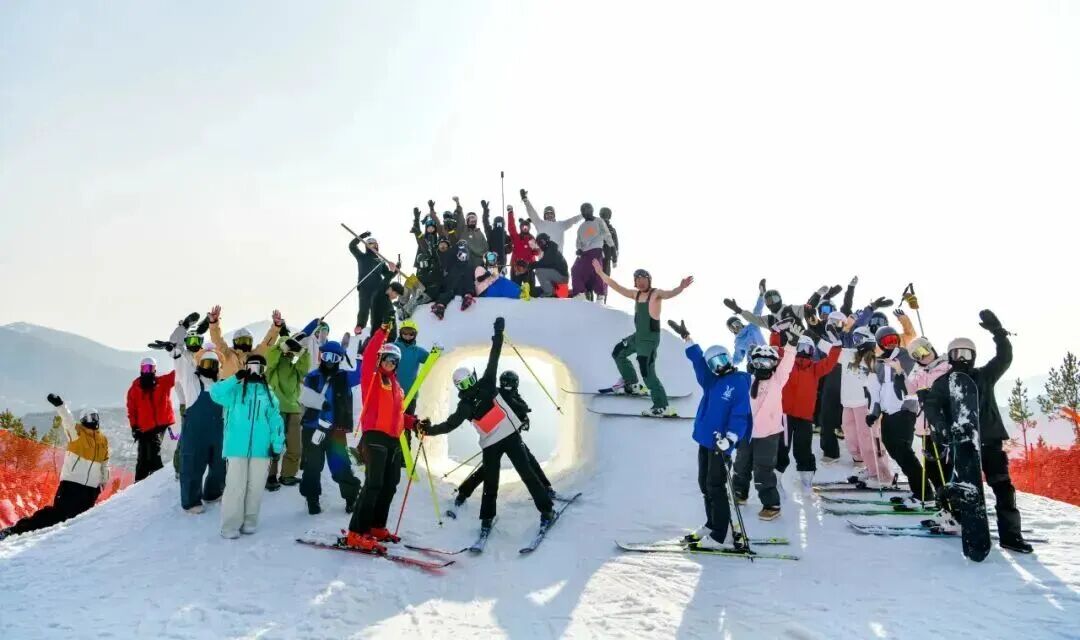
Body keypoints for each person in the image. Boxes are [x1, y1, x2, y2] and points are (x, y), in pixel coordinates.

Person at [418, 317, 555, 537]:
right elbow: (449, 425)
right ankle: (486, 520)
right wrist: (428, 430)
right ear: (459, 387)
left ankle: (546, 511)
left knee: (525, 473)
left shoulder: (486, 384)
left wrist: (498, 333)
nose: (468, 386)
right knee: (492, 484)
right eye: (463, 385)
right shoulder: (466, 404)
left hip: (507, 437)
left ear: (474, 377)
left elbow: (495, 354)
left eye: (469, 381)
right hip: (494, 442)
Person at [924, 310, 1031, 553]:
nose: (962, 358)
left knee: (1003, 488)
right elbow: (932, 406)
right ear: (950, 357)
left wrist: (999, 333)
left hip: (989, 441)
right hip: (962, 445)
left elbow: (1004, 358)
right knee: (964, 488)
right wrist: (941, 427)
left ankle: (1011, 536)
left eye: (966, 354)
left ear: (973, 356)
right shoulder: (943, 383)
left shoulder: (984, 376)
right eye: (957, 354)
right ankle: (962, 522)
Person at [667, 320, 751, 550]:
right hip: (705, 441)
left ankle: (721, 535)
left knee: (716, 486)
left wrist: (731, 438)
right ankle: (712, 523)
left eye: (722, 360)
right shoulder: (712, 381)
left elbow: (740, 415)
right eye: (714, 363)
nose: (719, 366)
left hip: (721, 445)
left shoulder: (738, 382)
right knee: (705, 485)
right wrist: (688, 339)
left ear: (729, 359)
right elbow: (698, 362)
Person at [0, 394, 110, 541]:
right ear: (83, 420)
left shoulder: (102, 440)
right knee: (57, 515)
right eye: (89, 418)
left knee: (79, 522)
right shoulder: (77, 433)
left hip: (91, 490)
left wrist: (103, 481)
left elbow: (104, 463)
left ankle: (66, 548)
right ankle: (15, 530)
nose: (93, 420)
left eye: (95, 417)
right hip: (72, 485)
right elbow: (67, 420)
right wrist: (61, 405)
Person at [592, 259, 694, 417]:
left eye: (643, 279)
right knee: (618, 352)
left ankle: (662, 406)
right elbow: (616, 286)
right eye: (637, 279)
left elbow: (670, 293)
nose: (640, 282)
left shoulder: (656, 294)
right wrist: (600, 273)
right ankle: (632, 384)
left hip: (649, 341)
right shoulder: (636, 294)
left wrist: (680, 287)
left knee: (647, 372)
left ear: (649, 280)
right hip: (637, 337)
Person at [344, 324, 412, 553]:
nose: (389, 363)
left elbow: (398, 414)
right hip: (374, 437)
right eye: (386, 359)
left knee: (390, 484)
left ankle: (376, 526)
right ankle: (356, 532)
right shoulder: (372, 378)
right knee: (373, 484)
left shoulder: (397, 387)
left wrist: (414, 422)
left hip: (393, 440)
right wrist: (382, 333)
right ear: (380, 360)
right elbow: (370, 355)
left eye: (394, 361)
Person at [451, 370, 556, 509]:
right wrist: (523, 416)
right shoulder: (499, 393)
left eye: (510, 384)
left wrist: (523, 418)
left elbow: (519, 407)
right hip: (501, 437)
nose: (508, 386)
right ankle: (546, 488)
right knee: (529, 462)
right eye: (506, 383)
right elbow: (518, 407)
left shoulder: (504, 393)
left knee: (490, 469)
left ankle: (463, 493)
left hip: (505, 437)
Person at [210, 354, 285, 539]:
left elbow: (276, 421)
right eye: (251, 366)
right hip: (236, 447)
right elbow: (215, 392)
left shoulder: (268, 393)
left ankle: (250, 522)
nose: (254, 371)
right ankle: (230, 526)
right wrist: (235, 377)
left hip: (261, 448)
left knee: (256, 487)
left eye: (259, 367)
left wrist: (276, 445)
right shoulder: (234, 391)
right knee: (235, 486)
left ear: (264, 370)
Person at [167, 317, 226, 513]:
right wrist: (183, 327)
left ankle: (213, 492)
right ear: (200, 364)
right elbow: (176, 350)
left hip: (217, 432)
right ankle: (191, 501)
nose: (209, 368)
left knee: (219, 464)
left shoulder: (220, 386)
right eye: (206, 363)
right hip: (195, 433)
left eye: (212, 364)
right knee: (192, 464)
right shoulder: (192, 381)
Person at [298, 338, 363, 515]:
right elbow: (304, 397)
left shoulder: (344, 377)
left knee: (340, 465)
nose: (330, 361)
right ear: (321, 356)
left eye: (335, 358)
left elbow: (361, 374)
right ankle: (312, 499)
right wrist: (321, 403)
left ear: (340, 359)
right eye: (327, 356)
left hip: (336, 431)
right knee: (312, 466)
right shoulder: (313, 376)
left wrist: (360, 356)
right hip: (313, 428)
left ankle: (351, 497)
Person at [865, 326, 927, 505]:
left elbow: (914, 374)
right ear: (880, 344)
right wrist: (874, 413)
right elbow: (877, 392)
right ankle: (918, 489)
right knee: (893, 448)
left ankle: (924, 493)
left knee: (903, 451)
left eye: (894, 339)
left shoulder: (906, 357)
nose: (891, 343)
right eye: (886, 341)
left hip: (904, 410)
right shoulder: (879, 364)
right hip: (888, 412)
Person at [734, 342, 795, 520]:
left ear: (774, 364)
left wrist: (791, 345)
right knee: (741, 464)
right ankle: (739, 492)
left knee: (763, 470)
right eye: (758, 362)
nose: (762, 366)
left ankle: (771, 504)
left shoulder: (777, 380)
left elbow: (787, 365)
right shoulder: (748, 381)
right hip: (747, 433)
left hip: (768, 435)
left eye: (767, 362)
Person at [777, 333, 841, 491]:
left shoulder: (815, 368)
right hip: (785, 416)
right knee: (782, 447)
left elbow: (830, 362)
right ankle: (775, 478)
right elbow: (778, 352)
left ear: (812, 352)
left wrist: (836, 346)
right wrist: (776, 333)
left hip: (804, 418)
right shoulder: (788, 364)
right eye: (801, 348)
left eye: (808, 349)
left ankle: (806, 480)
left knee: (803, 448)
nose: (804, 352)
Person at [839, 326, 893, 486]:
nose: (855, 342)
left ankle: (880, 474)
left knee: (868, 439)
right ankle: (868, 467)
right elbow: (829, 349)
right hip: (848, 402)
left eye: (858, 339)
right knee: (850, 436)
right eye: (854, 338)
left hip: (865, 405)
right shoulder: (849, 354)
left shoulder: (877, 361)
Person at [266, 329, 312, 490]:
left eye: (290, 350)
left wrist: (302, 351)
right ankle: (270, 475)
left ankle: (287, 475)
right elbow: (270, 360)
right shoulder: (271, 368)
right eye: (287, 348)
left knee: (295, 446)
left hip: (293, 409)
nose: (288, 353)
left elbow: (305, 368)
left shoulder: (295, 368)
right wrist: (281, 347)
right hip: (275, 409)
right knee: (273, 444)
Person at [126, 356, 176, 482]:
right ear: (141, 369)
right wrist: (134, 427)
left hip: (160, 425)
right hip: (144, 427)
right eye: (145, 368)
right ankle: (140, 481)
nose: (147, 371)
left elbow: (177, 374)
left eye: (150, 368)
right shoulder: (135, 389)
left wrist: (181, 356)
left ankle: (158, 478)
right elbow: (132, 410)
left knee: (153, 450)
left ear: (155, 370)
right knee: (143, 456)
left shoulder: (162, 383)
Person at [207, 306, 284, 378]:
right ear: (234, 342)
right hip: (229, 387)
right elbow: (217, 341)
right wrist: (214, 324)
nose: (244, 344)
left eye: (247, 341)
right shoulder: (227, 354)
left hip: (248, 387)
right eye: (240, 341)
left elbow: (267, 344)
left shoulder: (254, 355)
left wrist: (276, 327)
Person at [569, 203, 614, 300]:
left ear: (592, 210)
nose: (586, 212)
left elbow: (607, 234)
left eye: (588, 210)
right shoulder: (581, 227)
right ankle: (581, 293)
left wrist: (612, 247)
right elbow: (578, 241)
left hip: (596, 250)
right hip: (584, 253)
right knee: (576, 270)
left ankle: (600, 294)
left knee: (596, 271)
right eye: (584, 211)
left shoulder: (598, 221)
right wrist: (579, 249)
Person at [348, 231, 389, 335]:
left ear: (377, 246)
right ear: (366, 246)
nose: (371, 246)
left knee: (376, 309)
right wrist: (362, 236)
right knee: (364, 308)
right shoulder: (362, 257)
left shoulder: (380, 261)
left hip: (377, 287)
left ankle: (376, 329)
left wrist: (396, 268)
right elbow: (352, 246)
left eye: (373, 244)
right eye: (369, 244)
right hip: (365, 286)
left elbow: (387, 274)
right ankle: (360, 326)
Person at [432, 240, 476, 319]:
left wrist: (469, 292)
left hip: (463, 287)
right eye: (460, 255)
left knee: (466, 280)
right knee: (448, 292)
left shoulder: (469, 266)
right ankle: (440, 306)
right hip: (452, 287)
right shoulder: (453, 263)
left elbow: (470, 280)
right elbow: (448, 255)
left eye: (464, 255)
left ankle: (468, 297)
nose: (462, 257)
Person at [507, 208, 540, 286]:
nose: (525, 228)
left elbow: (536, 252)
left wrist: (536, 247)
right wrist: (510, 213)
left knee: (530, 289)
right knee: (515, 289)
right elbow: (511, 227)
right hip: (516, 267)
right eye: (523, 227)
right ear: (521, 227)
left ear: (529, 228)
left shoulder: (531, 239)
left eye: (526, 227)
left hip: (528, 268)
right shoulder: (516, 237)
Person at [532, 233, 569, 297]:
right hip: (561, 277)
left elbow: (545, 262)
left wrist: (532, 265)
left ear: (547, 240)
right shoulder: (550, 249)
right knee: (542, 269)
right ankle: (554, 290)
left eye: (541, 242)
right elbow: (546, 263)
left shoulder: (552, 249)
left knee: (539, 271)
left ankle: (548, 293)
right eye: (538, 244)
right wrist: (533, 264)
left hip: (562, 278)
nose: (540, 245)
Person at [482, 205, 511, 271]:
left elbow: (511, 245)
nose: (499, 226)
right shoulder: (490, 232)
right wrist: (485, 211)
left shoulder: (505, 235)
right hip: (491, 262)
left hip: (502, 263)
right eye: (498, 224)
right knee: (491, 276)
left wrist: (507, 249)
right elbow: (485, 222)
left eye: (500, 224)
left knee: (499, 276)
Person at [599, 207, 619, 277]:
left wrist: (614, 259)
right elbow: (616, 246)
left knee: (603, 278)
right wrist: (614, 259)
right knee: (604, 278)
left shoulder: (593, 226)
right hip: (602, 256)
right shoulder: (612, 230)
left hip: (602, 256)